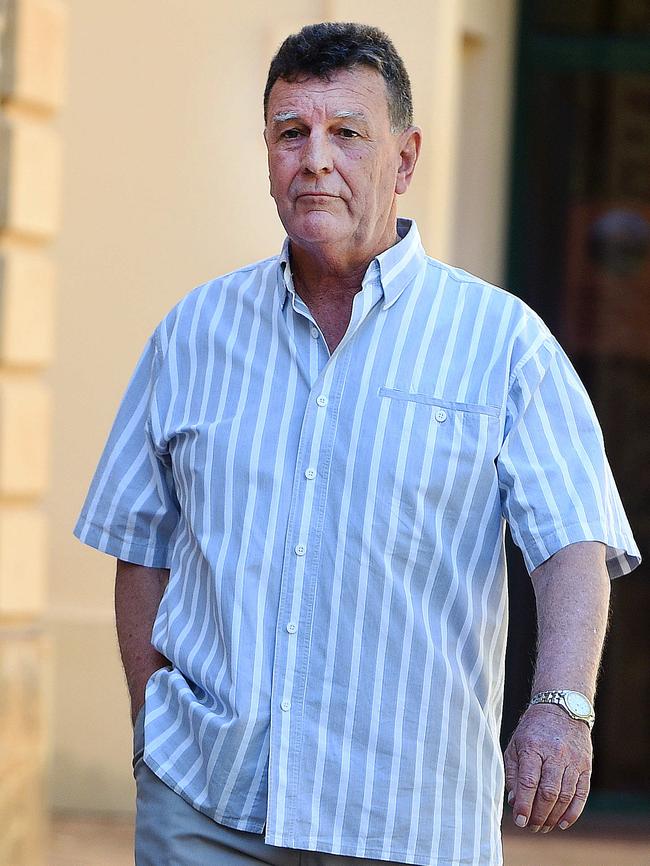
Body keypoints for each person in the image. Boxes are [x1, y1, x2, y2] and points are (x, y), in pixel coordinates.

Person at [73, 21, 640, 866]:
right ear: (266, 153)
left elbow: (573, 545)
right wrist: (150, 727)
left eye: (347, 133)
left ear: (405, 160)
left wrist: (561, 706)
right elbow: (138, 541)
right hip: (206, 807)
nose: (314, 160)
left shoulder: (503, 343)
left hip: (409, 820)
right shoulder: (192, 334)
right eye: (290, 133)